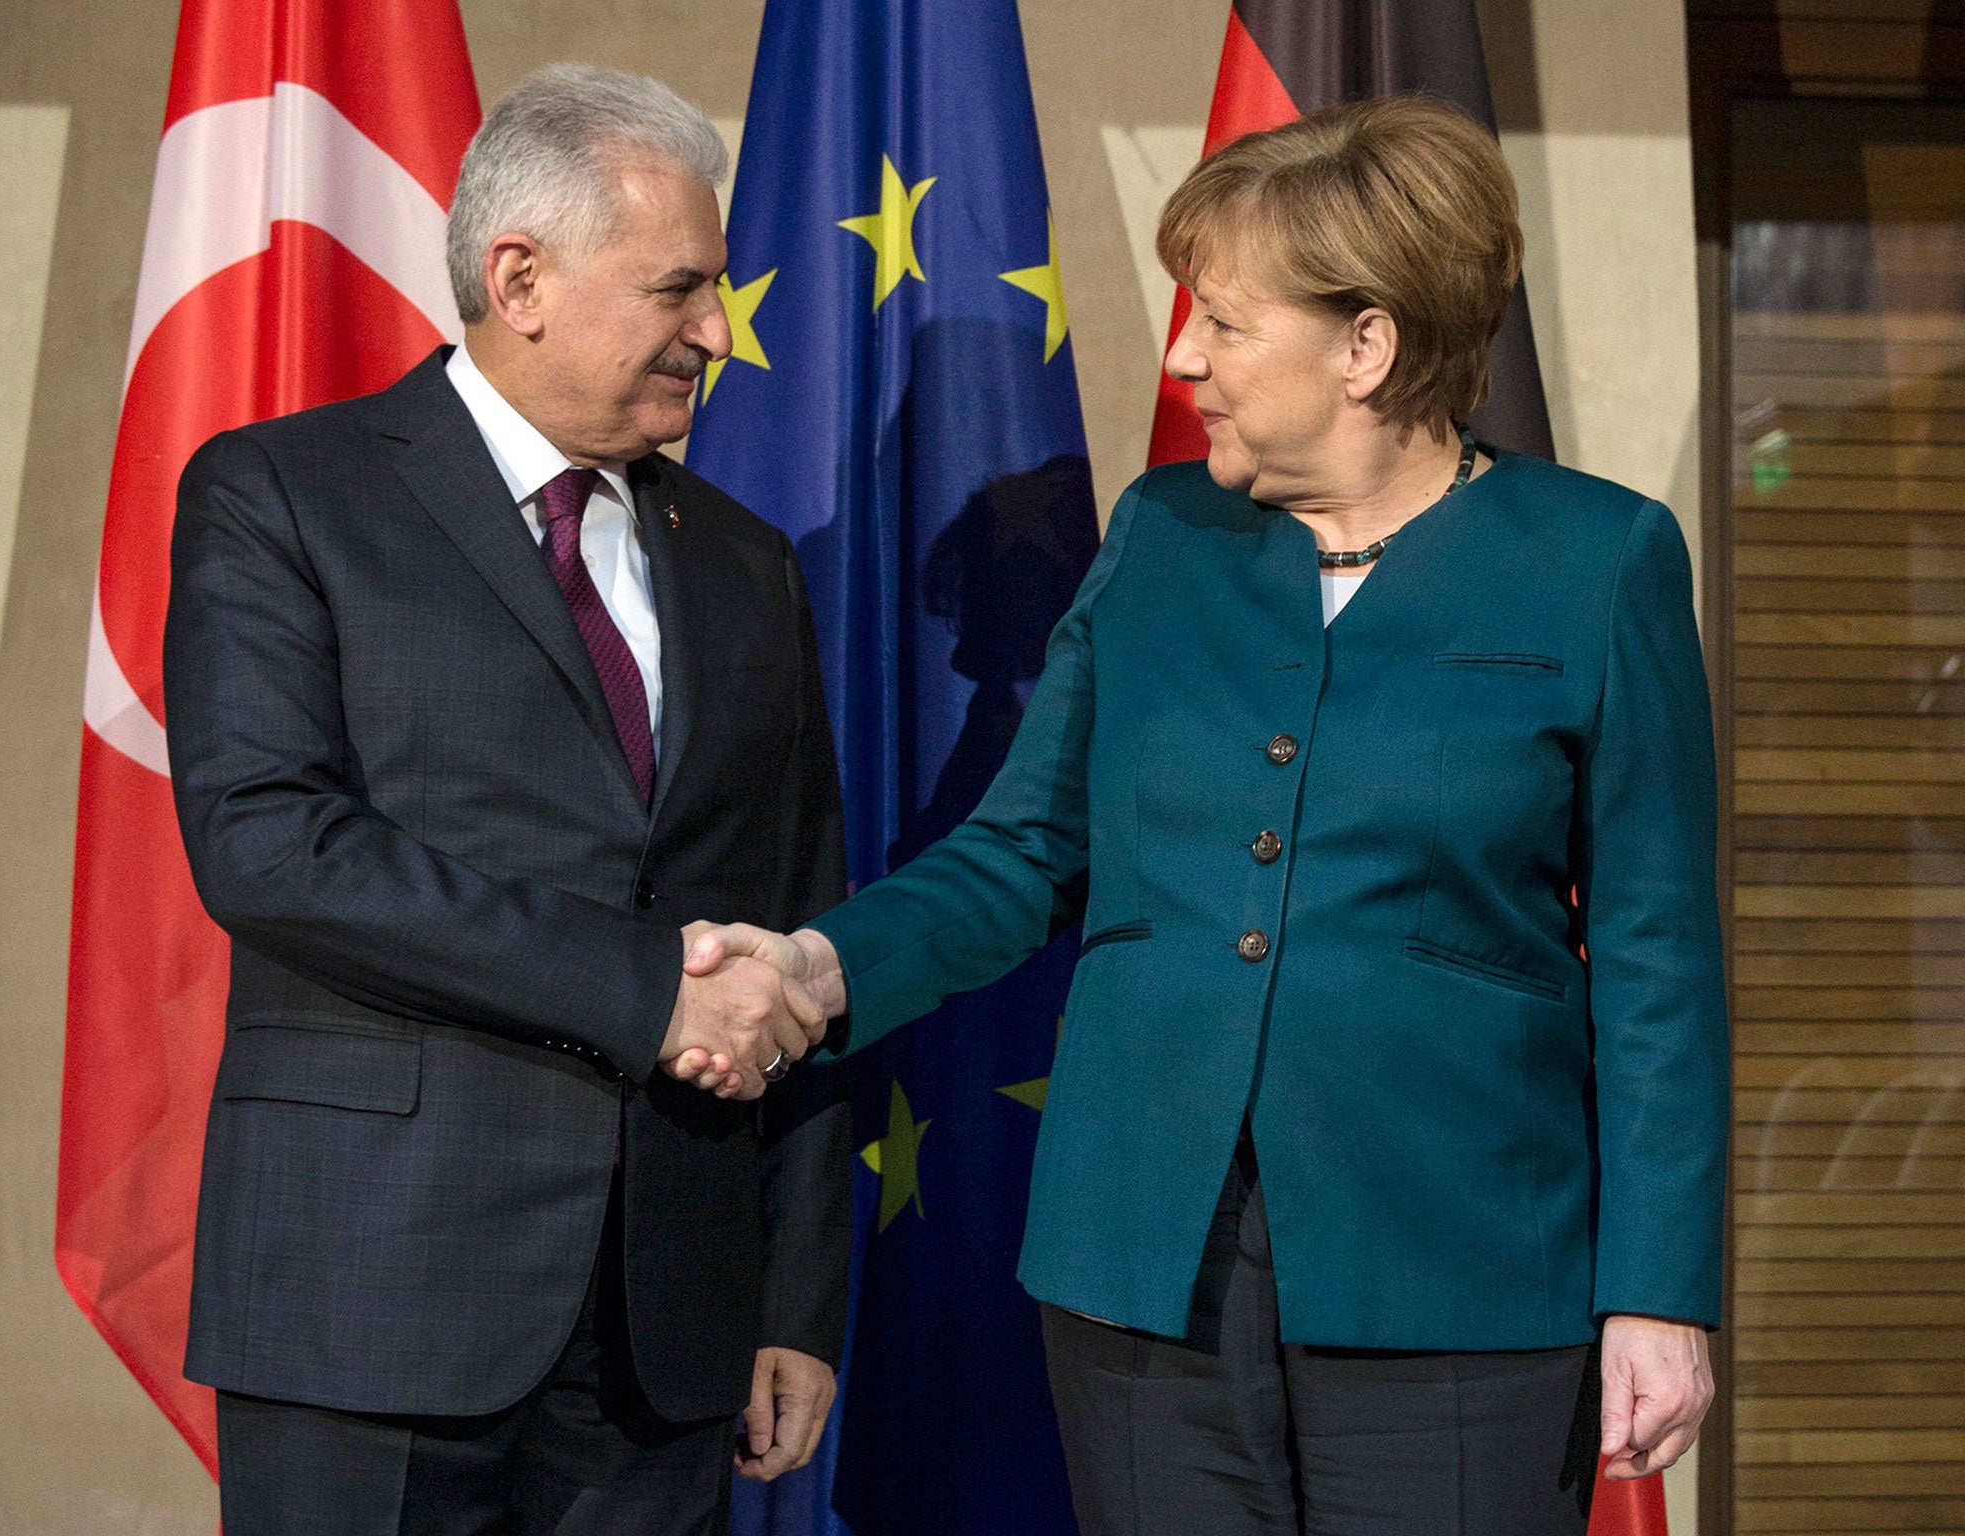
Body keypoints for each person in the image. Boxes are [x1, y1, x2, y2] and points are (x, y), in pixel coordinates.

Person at [677, 95, 1728, 1536]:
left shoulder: (1597, 561)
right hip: (1145, 1266)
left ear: (1368, 345)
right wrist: (814, 969)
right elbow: (1024, 851)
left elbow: (1659, 954)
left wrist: (1657, 1292)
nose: (1185, 359)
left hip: (1464, 1275)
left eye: (1226, 324)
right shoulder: (1160, 538)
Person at [165, 64, 847, 1536]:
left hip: (665, 1333)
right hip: (375, 1297)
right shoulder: (284, 493)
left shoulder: (744, 560)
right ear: (519, 277)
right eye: (679, 289)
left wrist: (794, 1294)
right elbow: (268, 845)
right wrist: (646, 986)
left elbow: (799, 924)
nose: (717, 335)